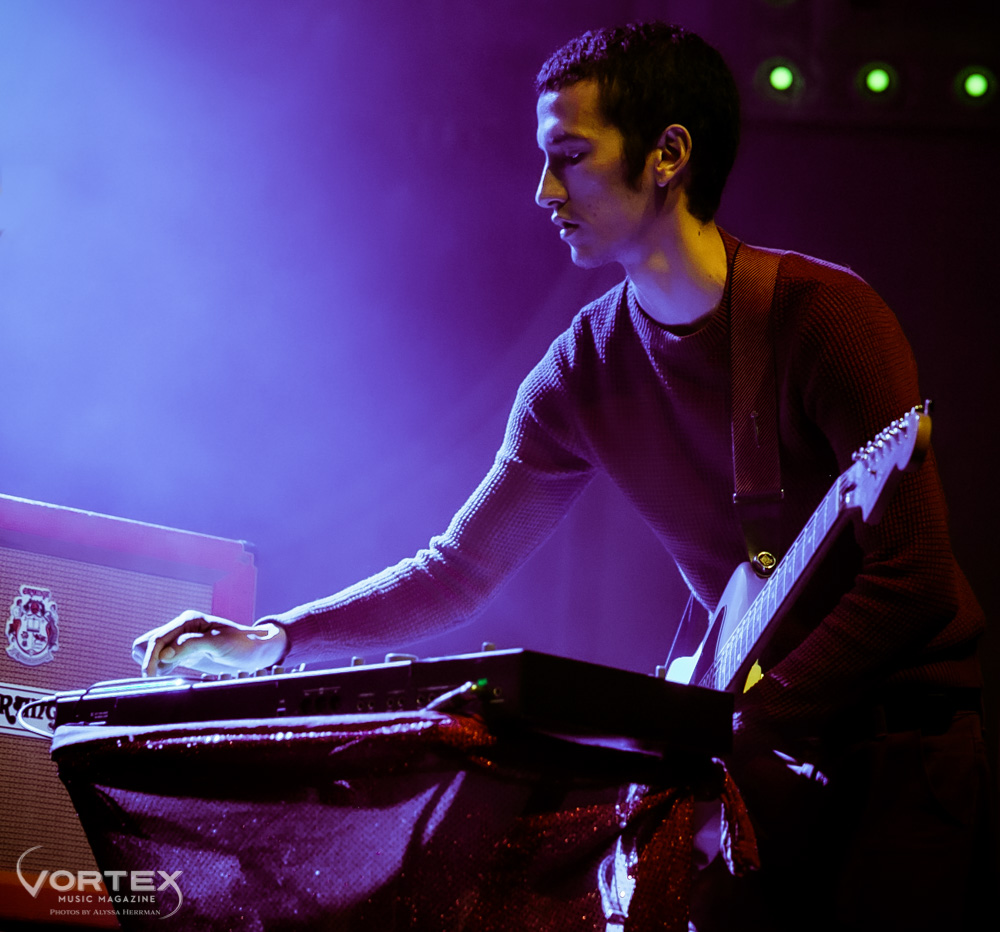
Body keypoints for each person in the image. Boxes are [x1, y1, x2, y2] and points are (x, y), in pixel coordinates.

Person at [133, 22, 991, 931]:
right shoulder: (580, 370)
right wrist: (274, 638)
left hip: (898, 755)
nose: (543, 192)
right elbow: (458, 571)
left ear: (668, 155)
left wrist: (745, 720)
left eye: (570, 157)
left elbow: (916, 582)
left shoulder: (826, 318)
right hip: (758, 762)